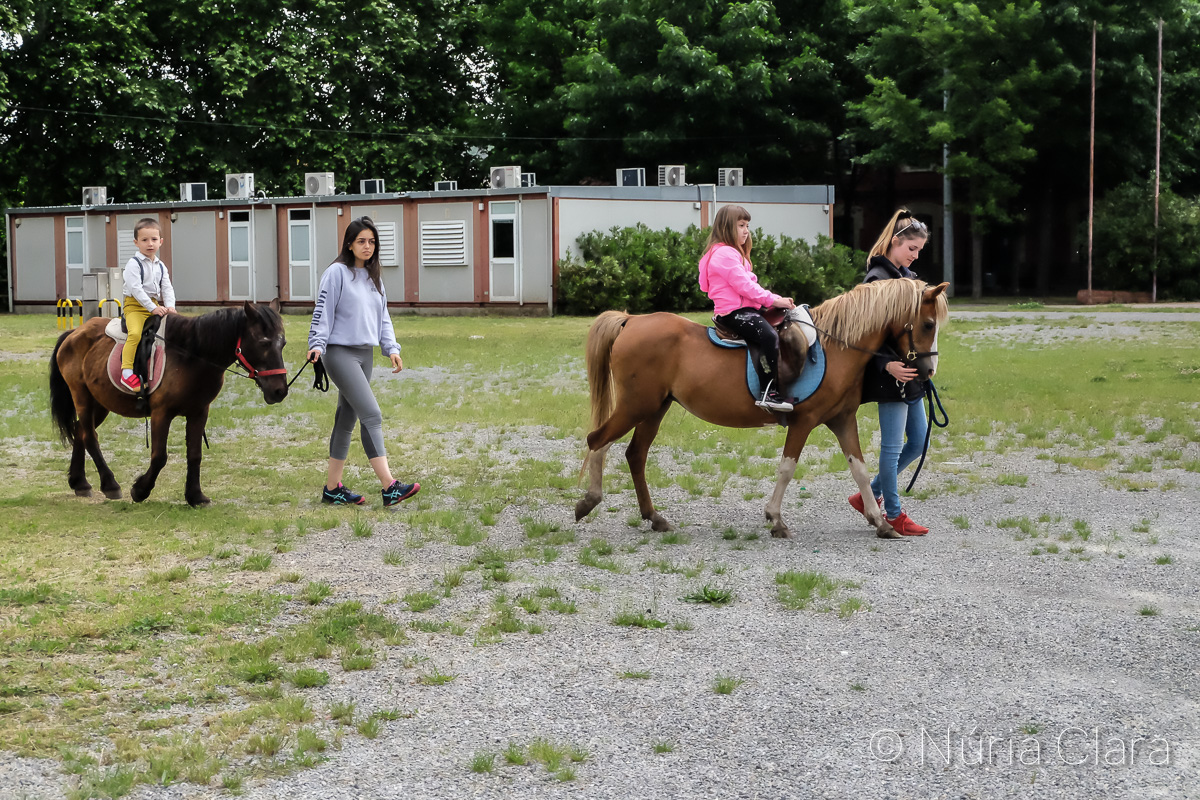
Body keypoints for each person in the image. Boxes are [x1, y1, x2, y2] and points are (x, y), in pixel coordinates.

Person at [307, 216, 420, 507]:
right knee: (372, 414)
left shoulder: (374, 277)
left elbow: (383, 317)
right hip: (339, 352)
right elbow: (322, 310)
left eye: (371, 242)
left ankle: (332, 489)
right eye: (361, 241)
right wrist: (316, 344)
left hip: (364, 354)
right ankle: (389, 486)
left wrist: (391, 348)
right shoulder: (336, 273)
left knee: (346, 418)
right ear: (349, 244)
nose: (367, 246)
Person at [848, 209, 931, 536]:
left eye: (919, 250)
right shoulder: (877, 279)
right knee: (893, 446)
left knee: (919, 440)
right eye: (911, 248)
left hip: (911, 374)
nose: (915, 255)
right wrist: (886, 364)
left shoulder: (908, 278)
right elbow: (863, 331)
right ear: (895, 242)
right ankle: (894, 514)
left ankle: (868, 495)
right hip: (889, 376)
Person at [698, 204, 796, 412]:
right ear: (726, 227)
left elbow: (748, 288)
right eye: (741, 225)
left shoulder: (732, 253)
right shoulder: (724, 254)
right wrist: (774, 301)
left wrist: (776, 300)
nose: (746, 231)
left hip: (745, 309)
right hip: (734, 313)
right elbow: (745, 286)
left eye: (747, 226)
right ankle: (768, 392)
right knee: (768, 336)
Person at [120, 217, 177, 391]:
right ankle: (126, 372)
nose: (150, 243)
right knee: (135, 334)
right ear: (136, 242)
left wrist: (170, 306)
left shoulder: (161, 266)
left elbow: (167, 287)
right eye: (144, 240)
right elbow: (136, 289)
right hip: (135, 306)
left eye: (154, 239)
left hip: (154, 304)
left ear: (161, 241)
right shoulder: (133, 264)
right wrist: (153, 308)